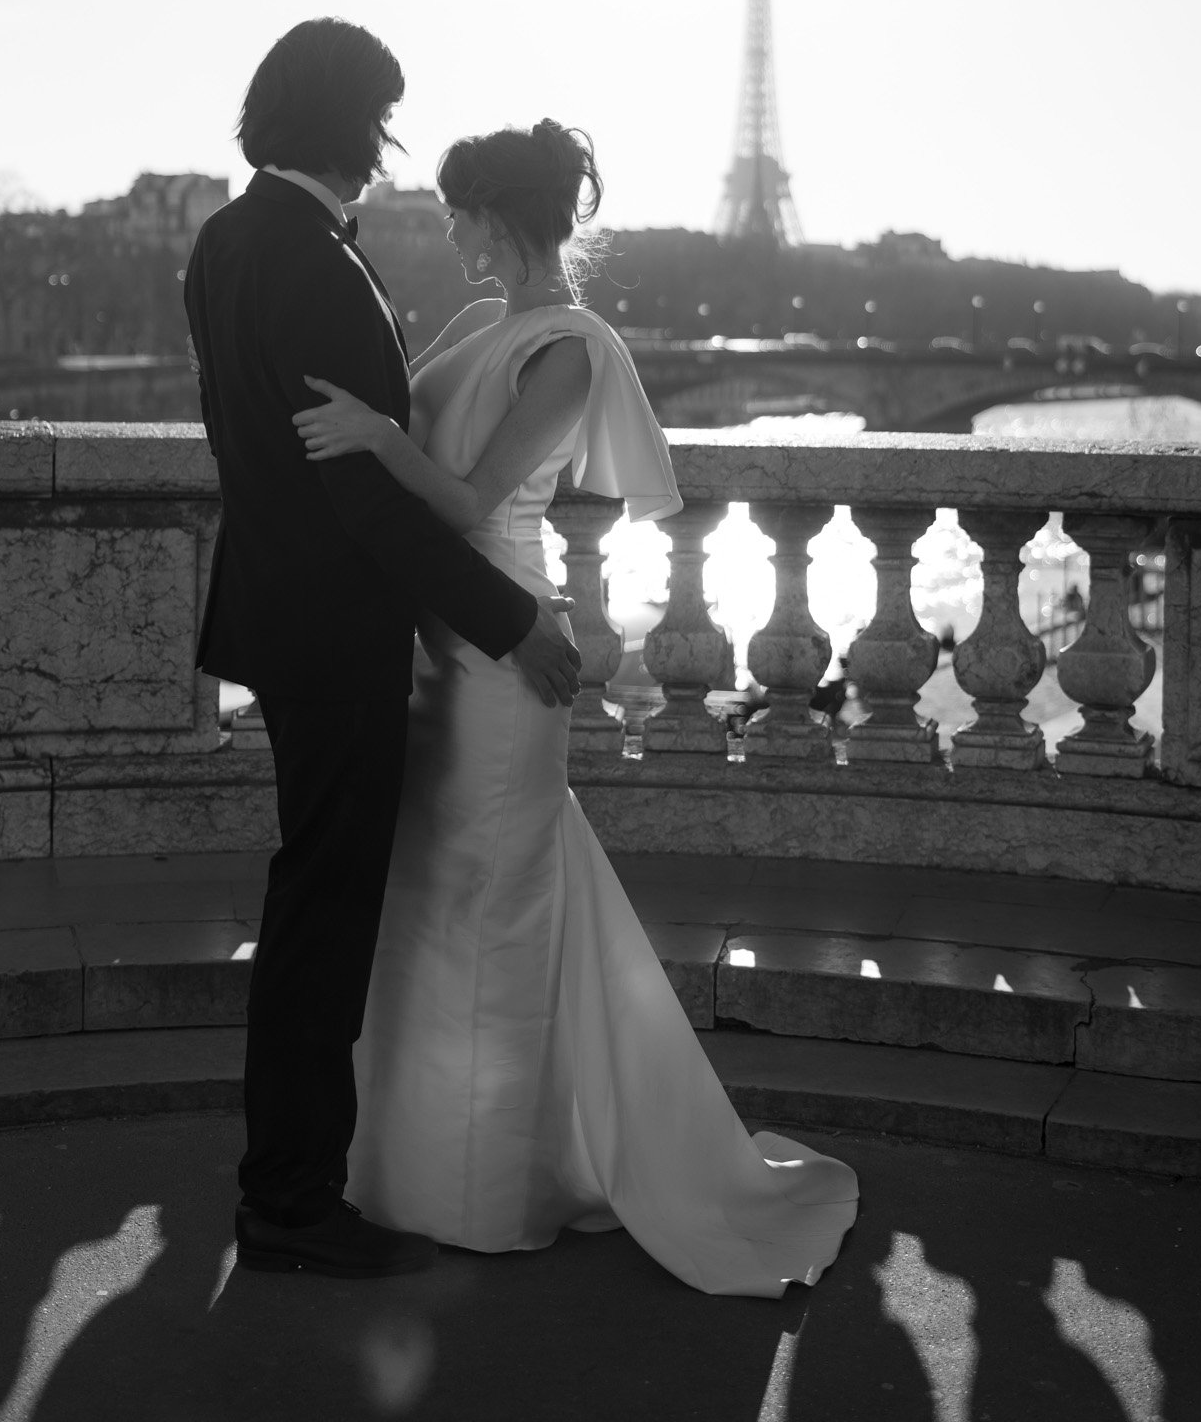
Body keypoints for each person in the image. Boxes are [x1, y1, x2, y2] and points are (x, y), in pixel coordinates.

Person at [290, 118, 859, 1297]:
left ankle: (487, 1191)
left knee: (491, 908)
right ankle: (427, 1167)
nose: (446, 231)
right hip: (439, 644)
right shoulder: (477, 324)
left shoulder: (571, 350)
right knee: (445, 902)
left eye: (458, 212)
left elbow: (466, 501)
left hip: (502, 650)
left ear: (503, 216)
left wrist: (372, 432)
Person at [184, 19, 581, 1282]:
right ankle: (293, 1194)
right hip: (342, 634)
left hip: (277, 619)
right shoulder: (312, 264)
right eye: (383, 117)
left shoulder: (224, 242)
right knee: (327, 911)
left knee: (314, 898)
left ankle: (295, 1177)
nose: (388, 146)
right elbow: (365, 497)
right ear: (355, 124)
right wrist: (513, 621)